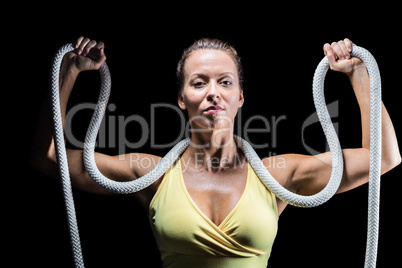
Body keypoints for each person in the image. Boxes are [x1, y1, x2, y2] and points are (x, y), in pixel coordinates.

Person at [31, 36, 401, 267]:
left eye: (225, 82)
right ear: (181, 98)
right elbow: (49, 158)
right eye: (198, 82)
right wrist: (69, 76)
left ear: (239, 97)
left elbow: (383, 158)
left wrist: (358, 77)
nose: (213, 92)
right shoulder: (151, 173)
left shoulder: (277, 175)